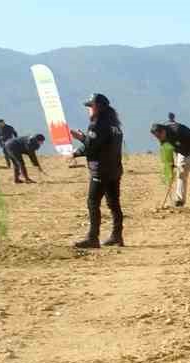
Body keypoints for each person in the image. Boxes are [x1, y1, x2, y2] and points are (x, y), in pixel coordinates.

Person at [70, 93, 124, 249]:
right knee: (114, 203)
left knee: (93, 203)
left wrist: (79, 143)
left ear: (98, 107)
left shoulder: (97, 125)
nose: (89, 110)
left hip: (100, 171)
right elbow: (101, 145)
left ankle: (92, 237)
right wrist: (84, 140)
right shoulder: (115, 126)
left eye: (90, 106)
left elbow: (91, 147)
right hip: (115, 170)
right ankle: (117, 235)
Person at [151, 121, 190, 208]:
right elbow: (167, 152)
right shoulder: (162, 139)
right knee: (181, 173)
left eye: (159, 136)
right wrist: (170, 167)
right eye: (156, 137)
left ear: (163, 131)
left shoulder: (178, 130)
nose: (158, 139)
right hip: (182, 150)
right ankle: (180, 201)